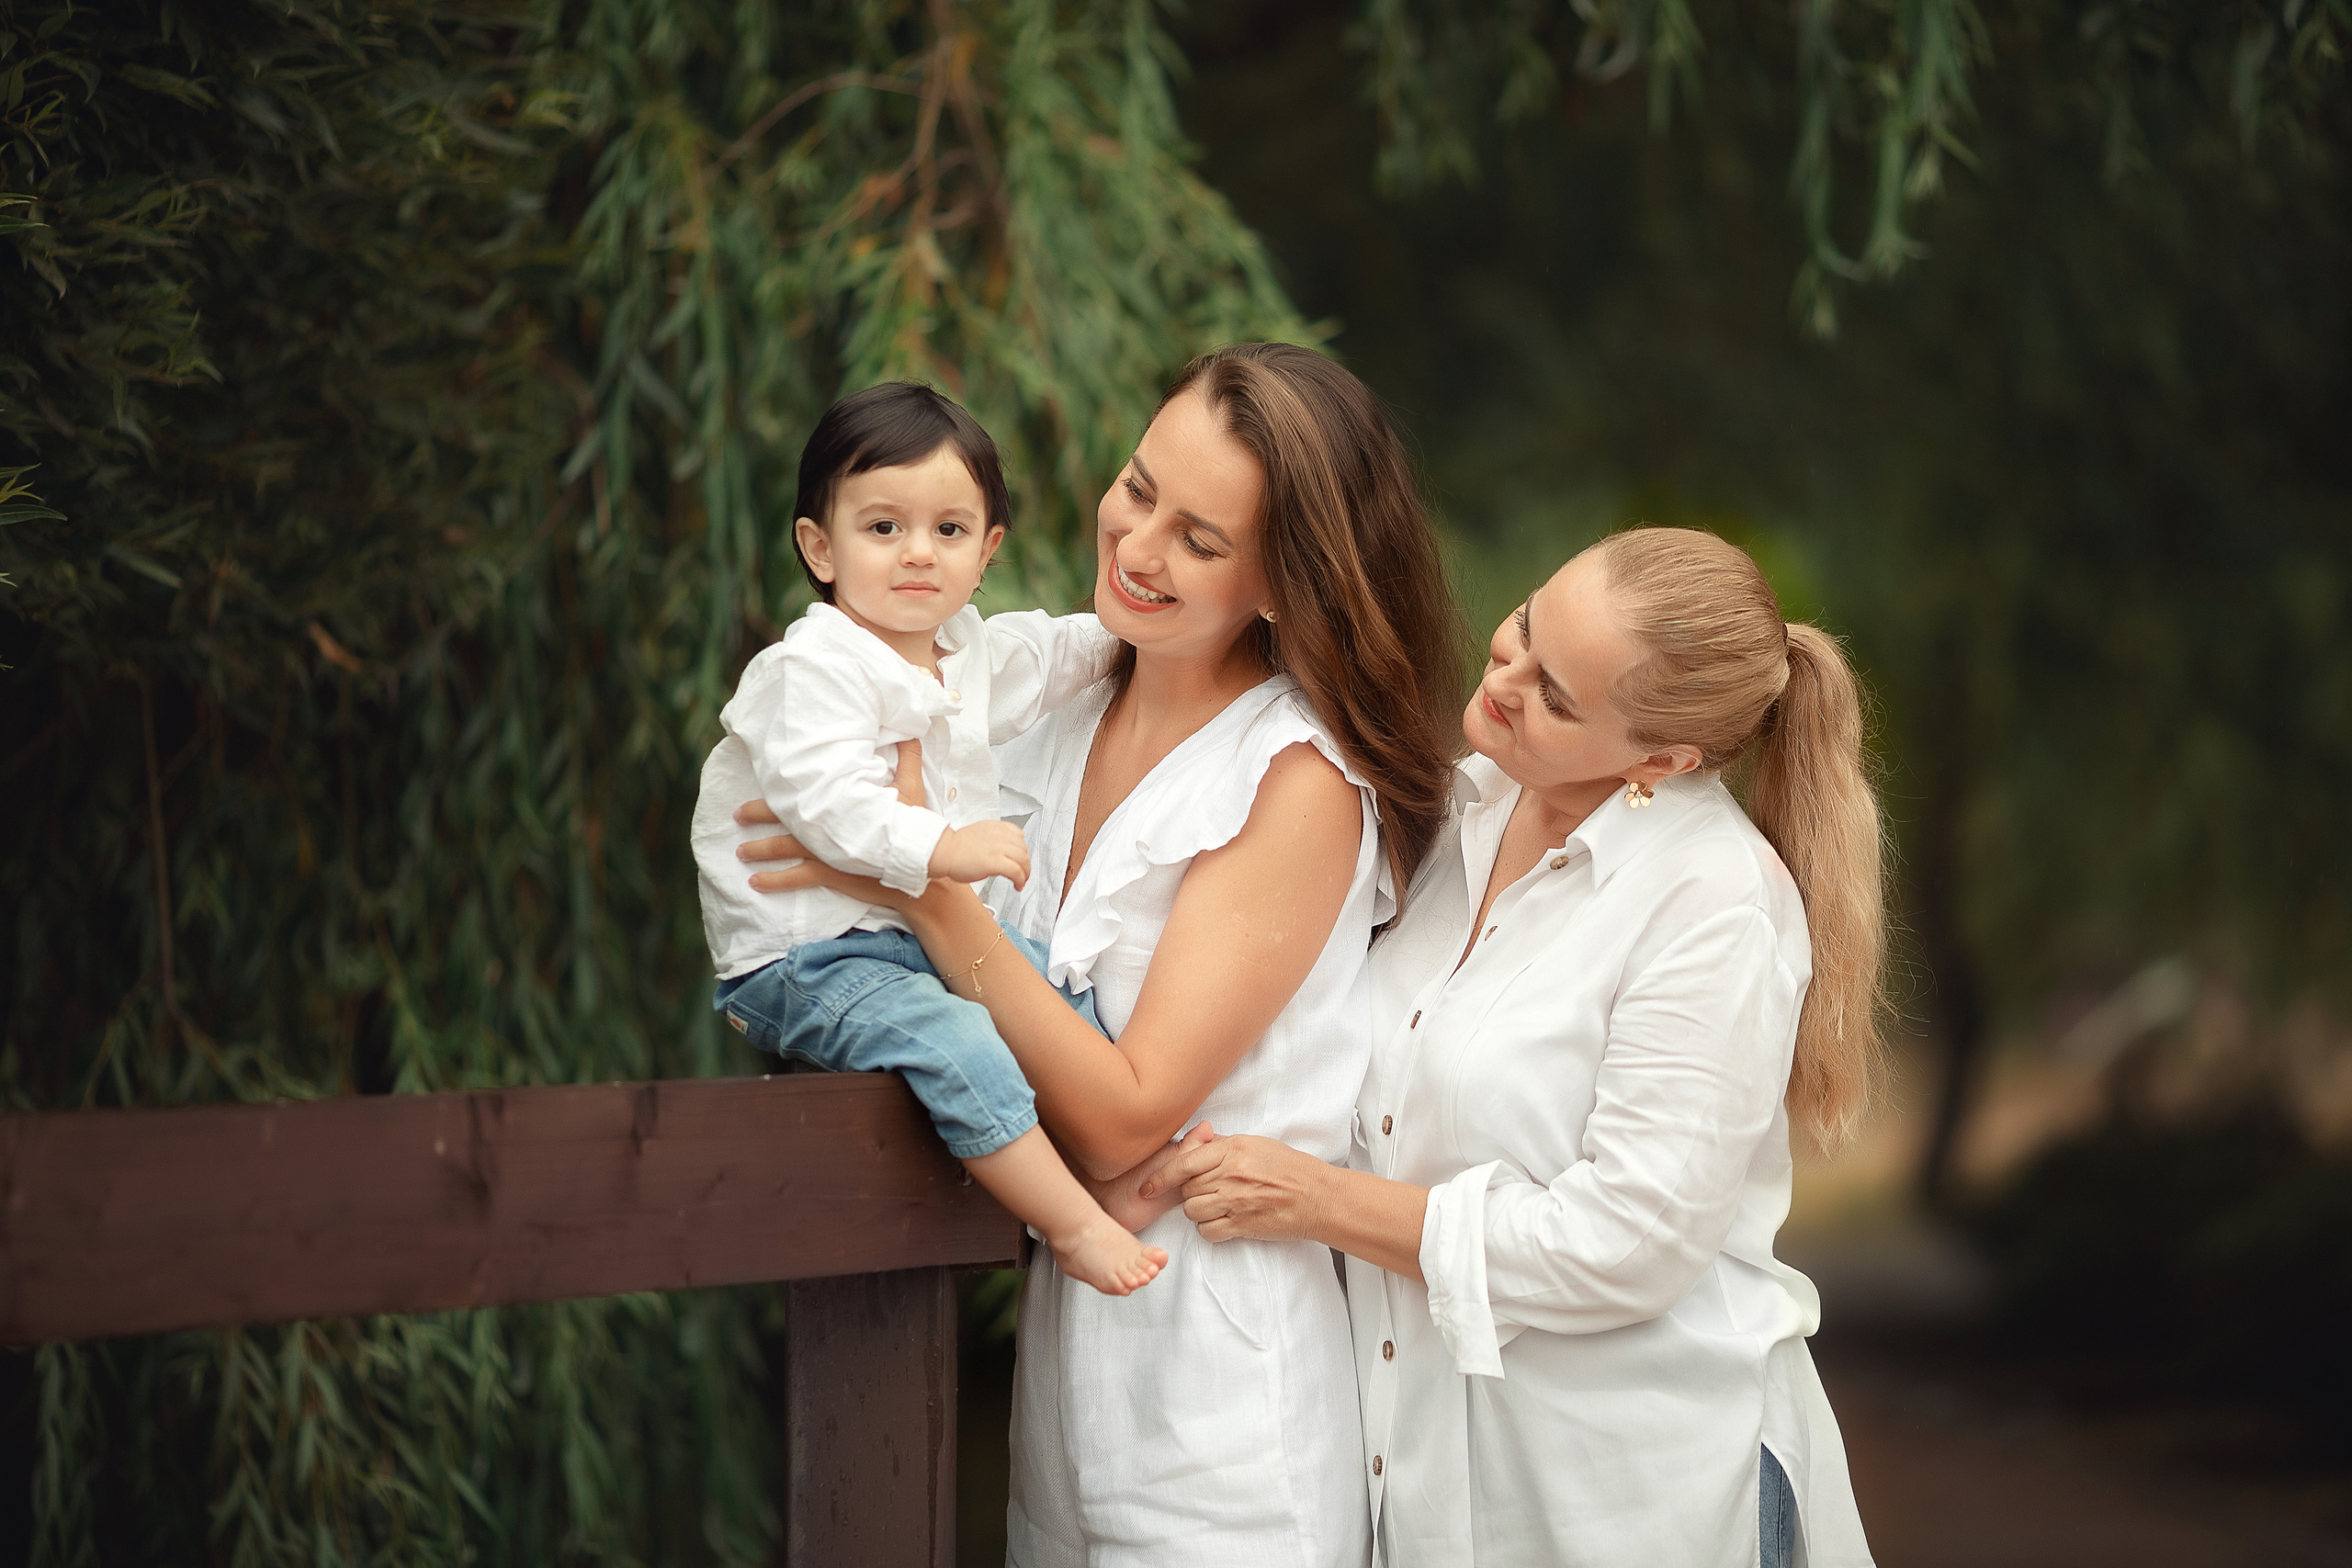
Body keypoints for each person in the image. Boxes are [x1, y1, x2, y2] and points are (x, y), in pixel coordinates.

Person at [733, 344, 1463, 1565]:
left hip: (1223, 1423)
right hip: (1066, 1389)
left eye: (1201, 537)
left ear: (1283, 580)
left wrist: (916, 891)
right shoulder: (1055, 708)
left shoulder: (1292, 782)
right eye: (1138, 487)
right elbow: (985, 1017)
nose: (1136, 544)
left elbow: (1124, 1112)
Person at [1142, 526, 1884, 1566]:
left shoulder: (1713, 904)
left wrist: (1314, 1202)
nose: (1506, 683)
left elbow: (1623, 1243)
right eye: (1526, 629)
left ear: (1663, 762)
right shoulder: (1461, 809)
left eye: (1558, 698)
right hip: (1436, 1481)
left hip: (1628, 1501)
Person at [691, 381, 1164, 1296]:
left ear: (987, 551)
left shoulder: (967, 652)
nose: (917, 554)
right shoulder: (812, 670)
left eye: (948, 531)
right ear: (818, 548)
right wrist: (942, 849)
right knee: (954, 1041)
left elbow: (1077, 648)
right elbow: (822, 799)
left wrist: (1160, 632)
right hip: (803, 957)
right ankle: (1069, 1225)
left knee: (1064, 1000)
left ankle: (1109, 1170)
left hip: (901, 935)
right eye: (882, 529)